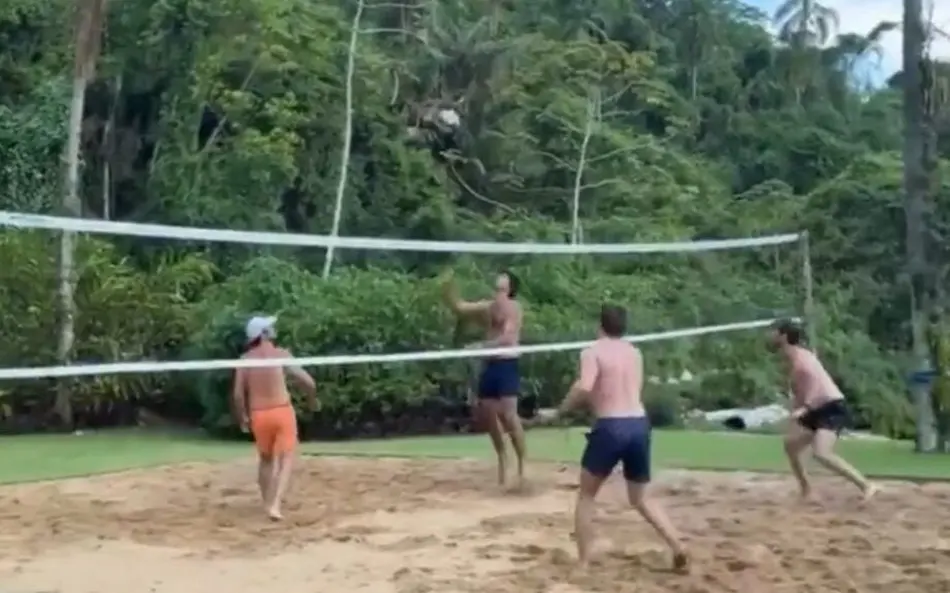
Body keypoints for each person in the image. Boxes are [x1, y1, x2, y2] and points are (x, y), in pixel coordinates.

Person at [552, 304, 687, 571]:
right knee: (641, 498)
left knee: (587, 496)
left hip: (611, 425)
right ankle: (678, 545)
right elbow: (630, 388)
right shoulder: (634, 352)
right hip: (638, 423)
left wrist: (560, 411)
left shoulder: (592, 351)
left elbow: (584, 386)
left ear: (599, 325)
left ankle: (583, 562)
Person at [770, 319, 877, 502]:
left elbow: (816, 387)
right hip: (816, 407)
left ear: (784, 336)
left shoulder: (802, 361)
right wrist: (797, 409)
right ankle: (807, 490)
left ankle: (867, 485)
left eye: (773, 332)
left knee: (821, 453)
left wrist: (804, 409)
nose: (769, 335)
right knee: (791, 445)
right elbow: (800, 389)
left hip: (830, 407)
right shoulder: (795, 358)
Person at [442, 269, 527, 489]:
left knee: (509, 416)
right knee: (488, 414)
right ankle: (502, 458)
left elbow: (508, 337)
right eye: (496, 288)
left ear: (510, 292)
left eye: (502, 289)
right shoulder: (488, 307)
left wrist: (481, 346)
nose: (497, 293)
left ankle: (522, 465)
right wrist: (447, 288)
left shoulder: (514, 309)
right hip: (490, 365)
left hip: (507, 364)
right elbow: (460, 308)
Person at [232, 316, 318, 521]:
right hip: (281, 411)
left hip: (259, 414)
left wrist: (242, 416)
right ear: (264, 333)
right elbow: (308, 382)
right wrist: (312, 401)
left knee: (266, 459)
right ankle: (275, 505)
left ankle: (267, 502)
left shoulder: (245, 360)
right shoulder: (281, 354)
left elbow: (237, 394)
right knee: (287, 458)